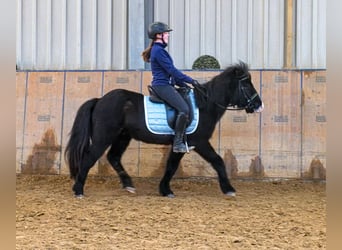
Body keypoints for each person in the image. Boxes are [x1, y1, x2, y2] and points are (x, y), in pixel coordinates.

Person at [142, 21, 199, 153]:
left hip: (167, 84)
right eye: (166, 33)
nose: (168, 35)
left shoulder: (159, 50)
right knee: (184, 109)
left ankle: (183, 141)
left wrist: (184, 85)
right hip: (162, 86)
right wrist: (192, 80)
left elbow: (171, 74)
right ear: (158, 35)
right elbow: (172, 70)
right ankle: (177, 143)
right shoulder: (158, 51)